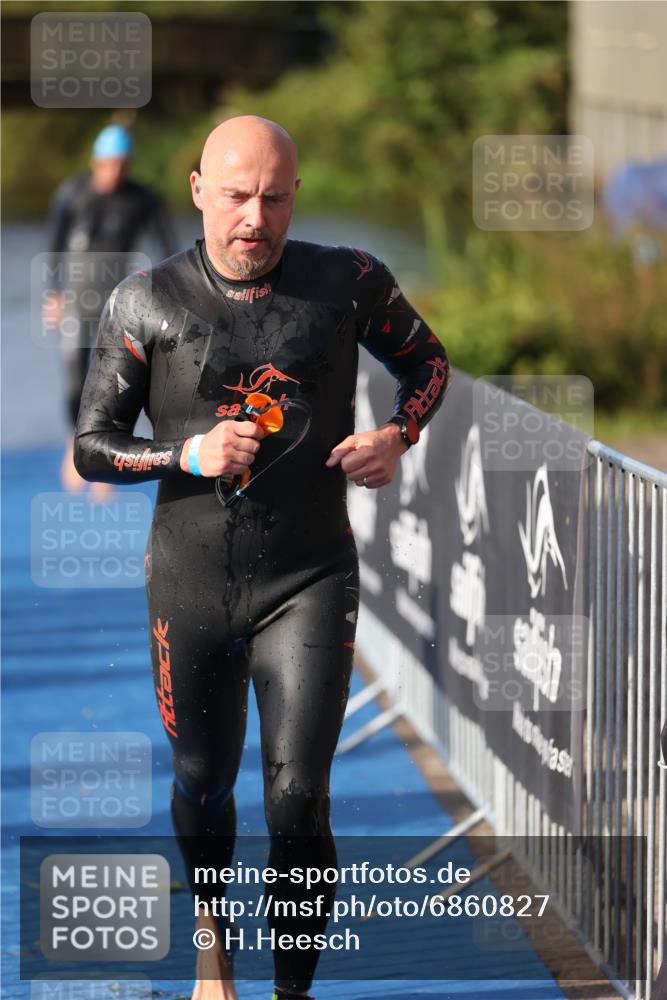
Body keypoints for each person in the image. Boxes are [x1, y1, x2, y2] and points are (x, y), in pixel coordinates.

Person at [73, 115, 452, 1000]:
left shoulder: (347, 281)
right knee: (203, 785)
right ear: (199, 189)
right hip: (190, 581)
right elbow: (94, 444)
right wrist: (184, 455)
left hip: (309, 577)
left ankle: (291, 994)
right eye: (236, 196)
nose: (255, 218)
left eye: (274, 198)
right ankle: (214, 952)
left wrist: (398, 436)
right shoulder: (146, 300)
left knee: (296, 800)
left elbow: (426, 362)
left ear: (295, 197)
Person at [43, 123, 175, 493]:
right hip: (76, 299)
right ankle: (75, 440)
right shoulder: (72, 193)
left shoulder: (142, 199)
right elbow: (54, 246)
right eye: (107, 164)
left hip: (117, 302)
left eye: (120, 165)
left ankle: (107, 449)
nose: (113, 172)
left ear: (128, 165)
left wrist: (166, 292)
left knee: (117, 377)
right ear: (95, 161)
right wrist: (53, 295)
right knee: (74, 378)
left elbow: (169, 247)